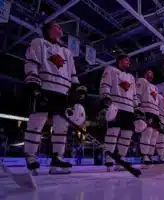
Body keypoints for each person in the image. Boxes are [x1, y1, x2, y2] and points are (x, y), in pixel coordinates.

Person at [23, 22, 86, 175]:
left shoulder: (67, 52)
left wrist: (77, 88)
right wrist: (33, 82)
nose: (60, 28)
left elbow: (72, 74)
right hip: (44, 88)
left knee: (61, 128)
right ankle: (31, 158)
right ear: (48, 29)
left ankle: (57, 159)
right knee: (36, 123)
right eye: (57, 26)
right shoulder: (38, 43)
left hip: (63, 93)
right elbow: (31, 63)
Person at [99, 54, 140, 171]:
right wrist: (105, 96)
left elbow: (134, 94)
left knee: (127, 135)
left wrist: (137, 106)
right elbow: (105, 84)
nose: (128, 62)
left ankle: (121, 159)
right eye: (126, 60)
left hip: (129, 109)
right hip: (115, 106)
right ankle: (109, 160)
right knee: (113, 132)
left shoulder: (131, 77)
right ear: (119, 61)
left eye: (129, 60)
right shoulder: (110, 70)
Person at [136, 69, 160, 166]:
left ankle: (150, 155)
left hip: (155, 112)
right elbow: (137, 95)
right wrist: (137, 108)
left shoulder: (155, 87)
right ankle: (144, 155)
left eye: (152, 73)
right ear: (145, 74)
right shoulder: (141, 81)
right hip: (146, 110)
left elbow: (156, 101)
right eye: (150, 72)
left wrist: (158, 115)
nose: (152, 74)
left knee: (154, 134)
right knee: (147, 133)